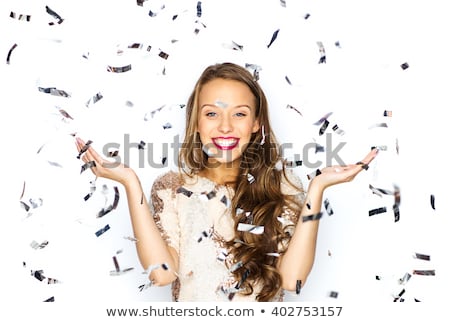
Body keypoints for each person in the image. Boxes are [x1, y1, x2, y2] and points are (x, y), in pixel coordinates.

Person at [75, 62, 377, 302]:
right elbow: (162, 275)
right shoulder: (171, 187)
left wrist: (317, 189)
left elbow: (291, 280)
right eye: (211, 114)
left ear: (256, 124)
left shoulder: (282, 185)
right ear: (196, 122)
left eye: (240, 114)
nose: (225, 126)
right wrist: (130, 183)